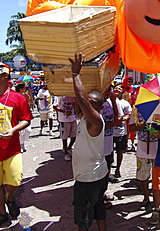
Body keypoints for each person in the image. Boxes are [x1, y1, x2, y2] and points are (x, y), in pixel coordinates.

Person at [69, 53, 109, 231]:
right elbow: (80, 100)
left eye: (94, 104)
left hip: (89, 177)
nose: (89, 106)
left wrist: (76, 73)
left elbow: (83, 101)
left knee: (83, 216)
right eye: (88, 104)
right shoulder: (84, 119)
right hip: (95, 174)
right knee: (98, 206)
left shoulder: (97, 122)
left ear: (100, 107)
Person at [0, 63, 33, 227]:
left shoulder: (17, 98)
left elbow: (26, 119)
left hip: (11, 149)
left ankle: (10, 198)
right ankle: (2, 214)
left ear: (5, 76)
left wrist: (13, 130)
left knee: (15, 180)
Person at [129, 109, 158, 209]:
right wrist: (144, 123)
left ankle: (157, 197)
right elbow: (131, 128)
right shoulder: (136, 111)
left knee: (157, 176)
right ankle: (146, 197)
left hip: (158, 149)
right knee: (143, 176)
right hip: (142, 149)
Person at [111, 85, 131, 179]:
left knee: (120, 152)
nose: (116, 90)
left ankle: (118, 169)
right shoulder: (108, 102)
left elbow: (129, 114)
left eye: (119, 89)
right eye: (115, 88)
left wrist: (123, 118)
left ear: (122, 92)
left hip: (121, 131)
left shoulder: (125, 103)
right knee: (108, 152)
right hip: (109, 132)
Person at [54, 96, 77, 161]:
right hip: (64, 119)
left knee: (74, 135)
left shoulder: (72, 95)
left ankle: (69, 147)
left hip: (73, 118)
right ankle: (65, 152)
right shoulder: (59, 96)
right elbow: (55, 106)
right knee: (64, 137)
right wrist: (64, 112)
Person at [15, 84, 33, 152]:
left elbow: (31, 102)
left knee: (28, 130)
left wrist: (30, 94)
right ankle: (21, 145)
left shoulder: (25, 95)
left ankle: (22, 143)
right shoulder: (16, 95)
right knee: (20, 132)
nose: (26, 89)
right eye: (24, 88)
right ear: (20, 89)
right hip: (19, 115)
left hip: (26, 114)